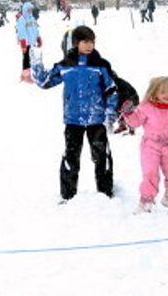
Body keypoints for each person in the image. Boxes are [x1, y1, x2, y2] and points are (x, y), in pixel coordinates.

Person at [31, 25, 118, 202]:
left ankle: (105, 192)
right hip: (73, 120)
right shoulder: (65, 65)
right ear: (76, 43)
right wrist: (36, 63)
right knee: (71, 157)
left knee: (101, 156)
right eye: (85, 41)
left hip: (96, 120)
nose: (89, 45)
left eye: (92, 41)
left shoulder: (100, 65)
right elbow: (44, 82)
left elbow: (111, 90)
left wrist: (110, 114)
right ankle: (68, 195)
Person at [121, 77, 168, 213]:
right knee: (151, 173)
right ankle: (146, 202)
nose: (167, 95)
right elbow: (135, 123)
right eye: (163, 92)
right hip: (150, 145)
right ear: (154, 92)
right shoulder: (146, 107)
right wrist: (128, 113)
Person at [15, 2, 42, 83]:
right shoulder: (22, 19)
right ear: (25, 10)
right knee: (26, 58)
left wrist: (38, 38)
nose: (30, 11)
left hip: (32, 42)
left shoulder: (32, 18)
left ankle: (30, 73)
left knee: (32, 58)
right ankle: (25, 75)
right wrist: (23, 43)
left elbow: (36, 30)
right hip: (26, 43)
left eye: (31, 9)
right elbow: (21, 32)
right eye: (29, 9)